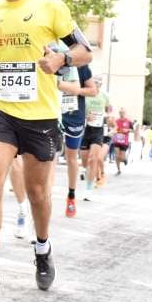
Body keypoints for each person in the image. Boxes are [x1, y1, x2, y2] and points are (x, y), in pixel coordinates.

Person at [0, 0, 93, 296]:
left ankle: (42, 248)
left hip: (41, 113)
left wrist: (62, 62)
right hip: (0, 107)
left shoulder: (51, 6)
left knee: (37, 193)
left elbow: (85, 50)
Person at [56, 62, 96, 215]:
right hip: (52, 111)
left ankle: (71, 195)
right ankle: (46, 196)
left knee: (71, 157)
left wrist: (73, 88)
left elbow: (93, 90)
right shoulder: (49, 59)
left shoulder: (81, 64)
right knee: (50, 157)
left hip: (74, 115)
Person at [82, 80, 110, 192]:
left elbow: (109, 110)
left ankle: (89, 188)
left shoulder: (104, 96)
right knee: (85, 160)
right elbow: (80, 110)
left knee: (94, 158)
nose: (97, 84)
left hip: (98, 129)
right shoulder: (85, 94)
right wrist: (85, 117)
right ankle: (86, 170)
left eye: (99, 82)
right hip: (86, 129)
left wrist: (107, 116)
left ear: (101, 84)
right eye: (95, 82)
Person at [110, 107, 134, 175]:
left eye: (123, 112)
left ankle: (124, 159)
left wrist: (128, 130)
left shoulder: (129, 121)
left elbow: (132, 130)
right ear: (119, 113)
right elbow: (113, 128)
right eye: (120, 113)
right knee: (117, 156)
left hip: (124, 141)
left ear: (125, 113)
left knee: (121, 157)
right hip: (116, 140)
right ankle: (118, 170)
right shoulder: (116, 121)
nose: (121, 114)